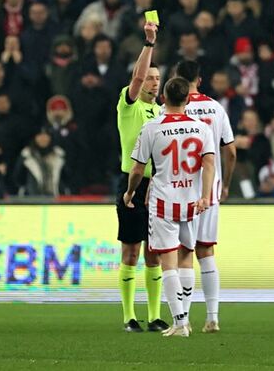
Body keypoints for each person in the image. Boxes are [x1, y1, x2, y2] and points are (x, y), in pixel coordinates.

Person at [123, 76, 215, 337]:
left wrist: (130, 192)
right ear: (188, 99)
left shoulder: (152, 127)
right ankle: (185, 318)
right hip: (192, 201)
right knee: (186, 257)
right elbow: (209, 164)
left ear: (164, 98)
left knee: (167, 261)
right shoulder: (201, 128)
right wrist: (205, 197)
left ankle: (180, 322)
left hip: (164, 202)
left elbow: (138, 169)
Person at [175, 60, 237, 333]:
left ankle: (183, 318)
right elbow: (231, 151)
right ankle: (212, 317)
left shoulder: (175, 107)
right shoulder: (216, 108)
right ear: (199, 80)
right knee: (206, 250)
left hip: (181, 190)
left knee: (183, 252)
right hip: (210, 190)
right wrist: (225, 184)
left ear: (176, 79)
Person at [116, 20, 167, 332]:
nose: (154, 83)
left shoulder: (164, 113)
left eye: (158, 79)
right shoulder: (129, 104)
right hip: (132, 183)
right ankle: (128, 316)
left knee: (154, 252)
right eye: (150, 77)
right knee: (131, 250)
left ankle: (154, 315)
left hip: (158, 185)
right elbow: (136, 78)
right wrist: (149, 43)